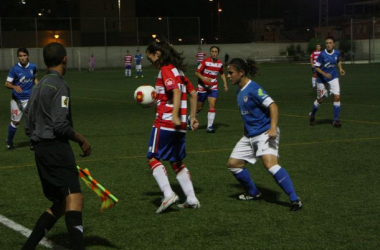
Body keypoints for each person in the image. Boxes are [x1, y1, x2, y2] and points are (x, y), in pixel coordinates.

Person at [23, 42, 92, 250]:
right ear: (65, 59)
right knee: (75, 199)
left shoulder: (37, 86)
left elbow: (28, 124)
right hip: (56, 149)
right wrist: (81, 139)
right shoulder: (60, 85)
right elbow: (60, 125)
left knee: (60, 204)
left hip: (41, 151)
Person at [226, 58, 302, 211]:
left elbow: (273, 105)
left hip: (265, 133)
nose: (228, 76)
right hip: (249, 136)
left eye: (230, 73)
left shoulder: (254, 88)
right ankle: (253, 193)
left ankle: (295, 200)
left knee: (270, 165)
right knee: (233, 164)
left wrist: (273, 128)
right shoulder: (239, 92)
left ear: (241, 73)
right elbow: (248, 115)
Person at [145, 40, 200, 213]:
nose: (151, 62)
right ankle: (191, 198)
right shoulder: (179, 71)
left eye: (151, 58)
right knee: (176, 161)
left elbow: (175, 91)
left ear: (158, 55)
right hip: (180, 125)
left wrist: (175, 114)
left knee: (152, 157)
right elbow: (193, 93)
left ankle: (168, 194)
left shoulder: (166, 69)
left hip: (166, 122)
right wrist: (192, 117)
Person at [5, 47, 38, 150]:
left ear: (28, 56)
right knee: (16, 122)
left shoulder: (33, 67)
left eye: (24, 55)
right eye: (20, 56)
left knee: (33, 121)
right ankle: (9, 141)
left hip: (30, 99)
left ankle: (33, 142)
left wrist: (38, 87)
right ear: (18, 57)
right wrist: (14, 86)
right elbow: (7, 84)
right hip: (17, 99)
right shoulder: (14, 69)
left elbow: (34, 78)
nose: (22, 58)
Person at [309, 36, 345, 127]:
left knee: (337, 97)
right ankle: (312, 115)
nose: (328, 45)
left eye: (330, 43)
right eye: (327, 43)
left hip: (333, 78)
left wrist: (341, 68)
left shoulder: (337, 52)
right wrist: (325, 74)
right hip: (322, 80)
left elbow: (338, 60)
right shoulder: (322, 55)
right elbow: (316, 67)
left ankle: (335, 120)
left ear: (334, 44)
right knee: (320, 100)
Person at [194, 45, 228, 133]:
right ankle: (190, 118)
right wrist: (204, 79)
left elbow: (222, 73)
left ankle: (209, 127)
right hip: (202, 87)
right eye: (212, 51)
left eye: (216, 52)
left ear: (218, 53)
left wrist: (225, 83)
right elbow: (197, 73)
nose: (214, 53)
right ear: (210, 53)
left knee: (212, 105)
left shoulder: (220, 63)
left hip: (213, 87)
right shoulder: (205, 62)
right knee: (199, 108)